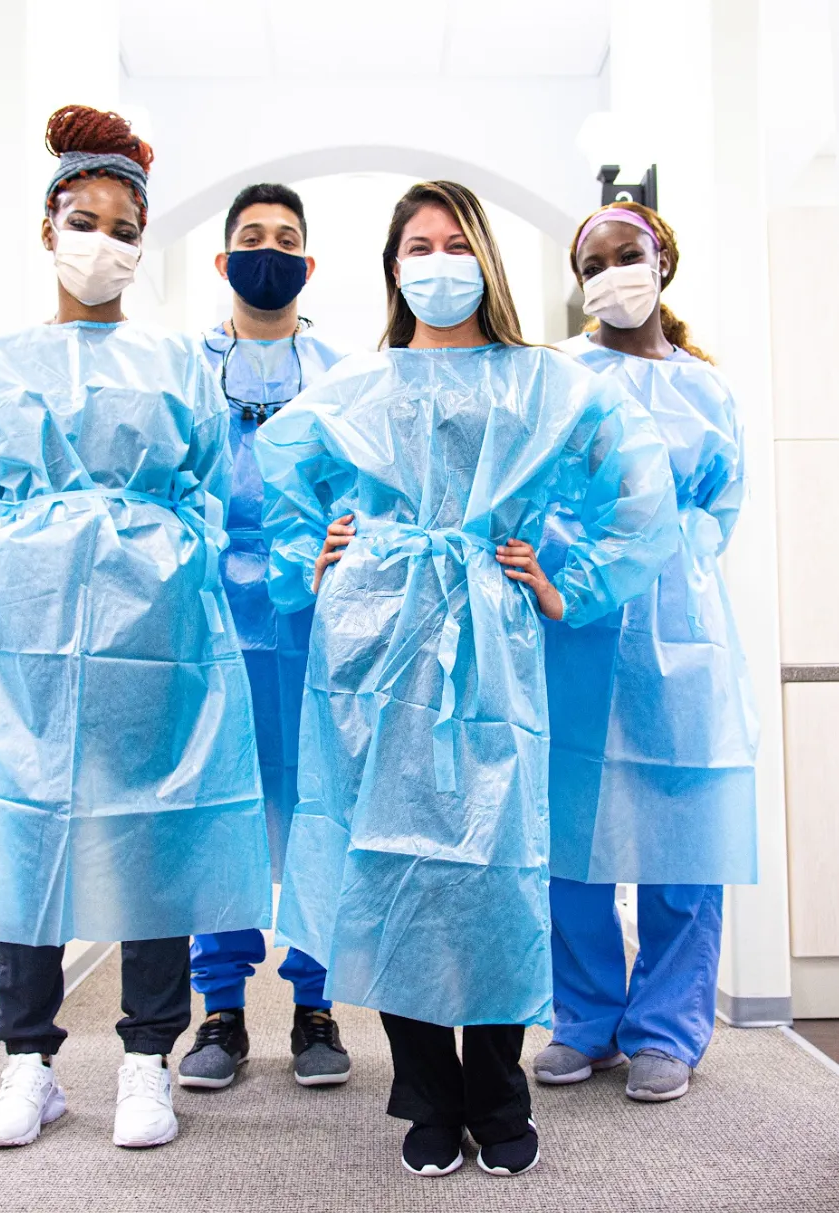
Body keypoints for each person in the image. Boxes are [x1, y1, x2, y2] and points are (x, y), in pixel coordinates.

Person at [253, 181, 679, 1178]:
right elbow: (279, 481)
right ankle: (426, 1094)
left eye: (454, 242)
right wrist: (310, 555)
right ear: (394, 267)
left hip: (490, 634)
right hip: (375, 641)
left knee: (496, 865)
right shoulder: (360, 384)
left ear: (484, 259)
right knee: (393, 865)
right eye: (417, 245)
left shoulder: (544, 383)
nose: (436, 261)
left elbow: (640, 485)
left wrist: (568, 580)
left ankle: (498, 1088)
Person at [0, 105, 272, 1150]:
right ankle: (29, 1062)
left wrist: (155, 579)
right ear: (47, 227)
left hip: (153, 635)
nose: (103, 241)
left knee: (150, 834)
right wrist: (40, 573)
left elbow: (206, 496)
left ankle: (148, 1057)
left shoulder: (178, 364)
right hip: (22, 636)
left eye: (123, 225)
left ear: (143, 244)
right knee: (27, 836)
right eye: (83, 217)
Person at [533, 201, 758, 1103]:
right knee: (571, 831)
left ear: (662, 259)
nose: (613, 274)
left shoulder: (709, 389)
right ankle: (585, 1020)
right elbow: (539, 489)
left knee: (685, 828)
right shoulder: (561, 377)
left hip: (683, 622)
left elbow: (720, 510)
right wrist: (587, 568)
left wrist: (667, 558)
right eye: (595, 264)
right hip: (581, 621)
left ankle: (667, 1026)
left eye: (628, 255)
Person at [177, 184, 351, 1092]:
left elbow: (364, 488)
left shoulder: (343, 371)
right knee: (225, 803)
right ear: (223, 261)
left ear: (308, 265)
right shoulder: (185, 368)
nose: (268, 251)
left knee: (318, 799)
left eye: (286, 239)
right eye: (252, 237)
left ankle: (316, 1004)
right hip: (212, 619)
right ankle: (220, 1008)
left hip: (316, 619)